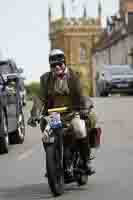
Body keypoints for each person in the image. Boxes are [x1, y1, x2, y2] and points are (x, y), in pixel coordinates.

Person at [28, 49, 96, 175]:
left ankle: (86, 162)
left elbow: (83, 94)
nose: (57, 67)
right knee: (47, 135)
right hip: (54, 115)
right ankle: (53, 163)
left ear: (64, 62)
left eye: (59, 64)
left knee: (80, 129)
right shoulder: (45, 79)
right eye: (53, 65)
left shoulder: (75, 75)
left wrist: (85, 108)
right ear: (50, 66)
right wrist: (34, 114)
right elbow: (40, 99)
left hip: (73, 112)